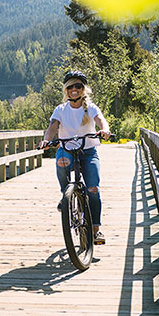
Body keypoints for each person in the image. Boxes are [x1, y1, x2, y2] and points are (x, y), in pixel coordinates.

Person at [39, 70, 111, 245]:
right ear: (66, 90)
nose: (74, 89)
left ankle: (96, 230)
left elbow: (100, 119)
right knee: (62, 161)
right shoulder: (61, 109)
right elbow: (52, 126)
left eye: (78, 86)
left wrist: (105, 129)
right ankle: (66, 195)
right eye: (70, 86)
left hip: (88, 151)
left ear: (83, 89)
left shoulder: (90, 108)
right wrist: (47, 140)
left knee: (93, 189)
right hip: (67, 149)